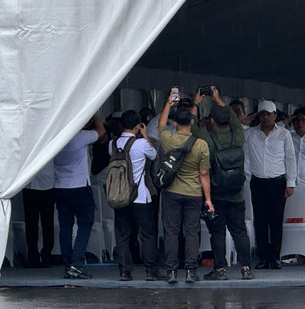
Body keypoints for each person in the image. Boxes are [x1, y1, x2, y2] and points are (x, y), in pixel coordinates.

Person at [190, 87, 253, 280]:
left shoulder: (206, 139)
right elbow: (234, 119)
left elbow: (190, 126)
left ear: (211, 121)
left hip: (216, 194)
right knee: (239, 231)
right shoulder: (239, 136)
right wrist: (219, 100)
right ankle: (246, 268)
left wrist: (195, 102)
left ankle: (219, 270)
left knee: (217, 233)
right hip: (237, 193)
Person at [159, 98, 213, 284]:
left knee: (172, 232)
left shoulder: (168, 139)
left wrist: (168, 104)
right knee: (191, 232)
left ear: (174, 123)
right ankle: (191, 271)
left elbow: (160, 125)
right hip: (194, 194)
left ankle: (171, 271)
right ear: (192, 122)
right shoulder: (201, 144)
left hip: (171, 193)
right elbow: (204, 174)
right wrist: (208, 199)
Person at [109, 110, 164, 281]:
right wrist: (145, 135)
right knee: (147, 233)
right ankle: (150, 270)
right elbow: (154, 155)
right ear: (137, 126)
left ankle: (125, 271)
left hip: (120, 195)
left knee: (123, 234)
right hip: (140, 195)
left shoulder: (112, 144)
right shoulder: (140, 144)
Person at [244, 100, 297, 270]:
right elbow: (239, 126)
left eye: (269, 114)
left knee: (275, 220)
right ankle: (262, 256)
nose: (266, 117)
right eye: (262, 114)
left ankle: (275, 256)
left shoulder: (283, 134)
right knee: (259, 220)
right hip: (258, 181)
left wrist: (290, 182)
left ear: (275, 115)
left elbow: (290, 158)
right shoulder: (250, 134)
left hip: (277, 181)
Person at [54, 115, 106, 279]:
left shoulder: (56, 138)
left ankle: (68, 263)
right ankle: (77, 264)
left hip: (60, 186)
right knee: (85, 223)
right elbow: (101, 131)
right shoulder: (80, 136)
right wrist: (95, 115)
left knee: (65, 227)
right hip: (79, 186)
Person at [22, 160, 55, 267]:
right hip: (37, 183)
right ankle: (36, 254)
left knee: (42, 222)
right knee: (38, 223)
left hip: (40, 183)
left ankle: (42, 254)